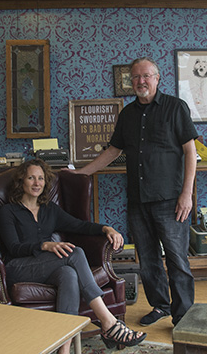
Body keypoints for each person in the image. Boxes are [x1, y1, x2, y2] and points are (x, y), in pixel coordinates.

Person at [74, 57, 199, 327]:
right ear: (131, 82)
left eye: (146, 76)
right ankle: (160, 306)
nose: (140, 81)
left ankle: (184, 315)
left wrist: (186, 194)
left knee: (177, 259)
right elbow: (112, 151)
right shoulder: (127, 114)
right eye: (135, 77)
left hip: (171, 200)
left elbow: (191, 152)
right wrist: (81, 173)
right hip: (138, 200)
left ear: (157, 78)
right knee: (148, 258)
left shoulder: (175, 108)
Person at [0, 159, 146, 353]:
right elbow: (14, 248)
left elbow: (80, 225)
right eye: (31, 178)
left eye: (41, 178)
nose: (36, 183)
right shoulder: (7, 212)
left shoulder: (49, 209)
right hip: (17, 267)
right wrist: (44, 245)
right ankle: (108, 322)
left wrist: (106, 228)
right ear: (21, 181)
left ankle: (64, 349)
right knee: (74, 253)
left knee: (69, 274)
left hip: (45, 268)